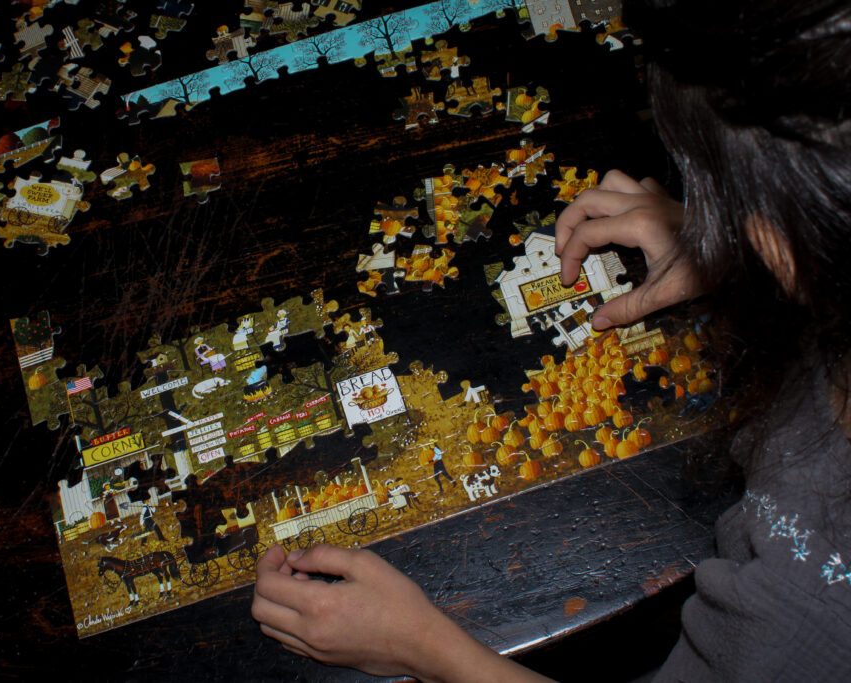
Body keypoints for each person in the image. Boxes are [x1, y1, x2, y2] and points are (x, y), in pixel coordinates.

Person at [252, 1, 851, 680]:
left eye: (712, 191)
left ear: (786, 250)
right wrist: (719, 243)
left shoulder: (804, 612)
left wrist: (418, 645)